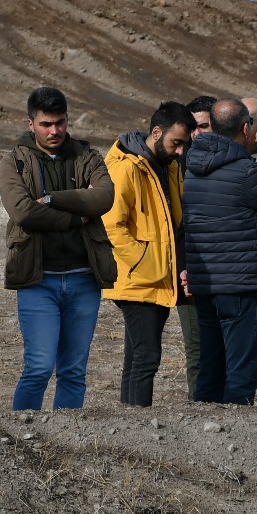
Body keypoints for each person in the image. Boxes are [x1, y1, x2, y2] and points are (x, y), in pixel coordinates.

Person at [0, 86, 116, 410]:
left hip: (83, 279)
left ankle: (65, 443)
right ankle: (23, 441)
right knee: (38, 368)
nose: (54, 131)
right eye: (46, 124)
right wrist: (78, 216)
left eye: (60, 122)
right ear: (31, 122)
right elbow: (22, 211)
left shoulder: (87, 156)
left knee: (74, 372)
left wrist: (51, 199)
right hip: (38, 280)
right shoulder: (14, 162)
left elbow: (104, 197)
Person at [181, 98, 257, 404]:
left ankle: (204, 434)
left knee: (210, 367)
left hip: (206, 285)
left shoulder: (192, 169)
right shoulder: (247, 172)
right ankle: (231, 438)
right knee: (241, 374)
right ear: (247, 129)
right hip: (243, 285)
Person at [102, 101, 197, 406]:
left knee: (138, 355)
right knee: (146, 357)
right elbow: (110, 225)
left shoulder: (169, 167)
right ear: (157, 132)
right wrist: (145, 263)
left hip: (157, 278)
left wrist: (178, 266)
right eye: (176, 143)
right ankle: (137, 428)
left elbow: (176, 225)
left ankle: (129, 425)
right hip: (138, 280)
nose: (181, 151)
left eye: (185, 145)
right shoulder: (126, 167)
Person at [175, 95, 218, 398]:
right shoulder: (176, 168)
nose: (197, 133)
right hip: (190, 270)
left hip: (228, 271)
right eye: (193, 127)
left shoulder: (236, 164)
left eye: (204, 126)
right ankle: (200, 413)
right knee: (197, 350)